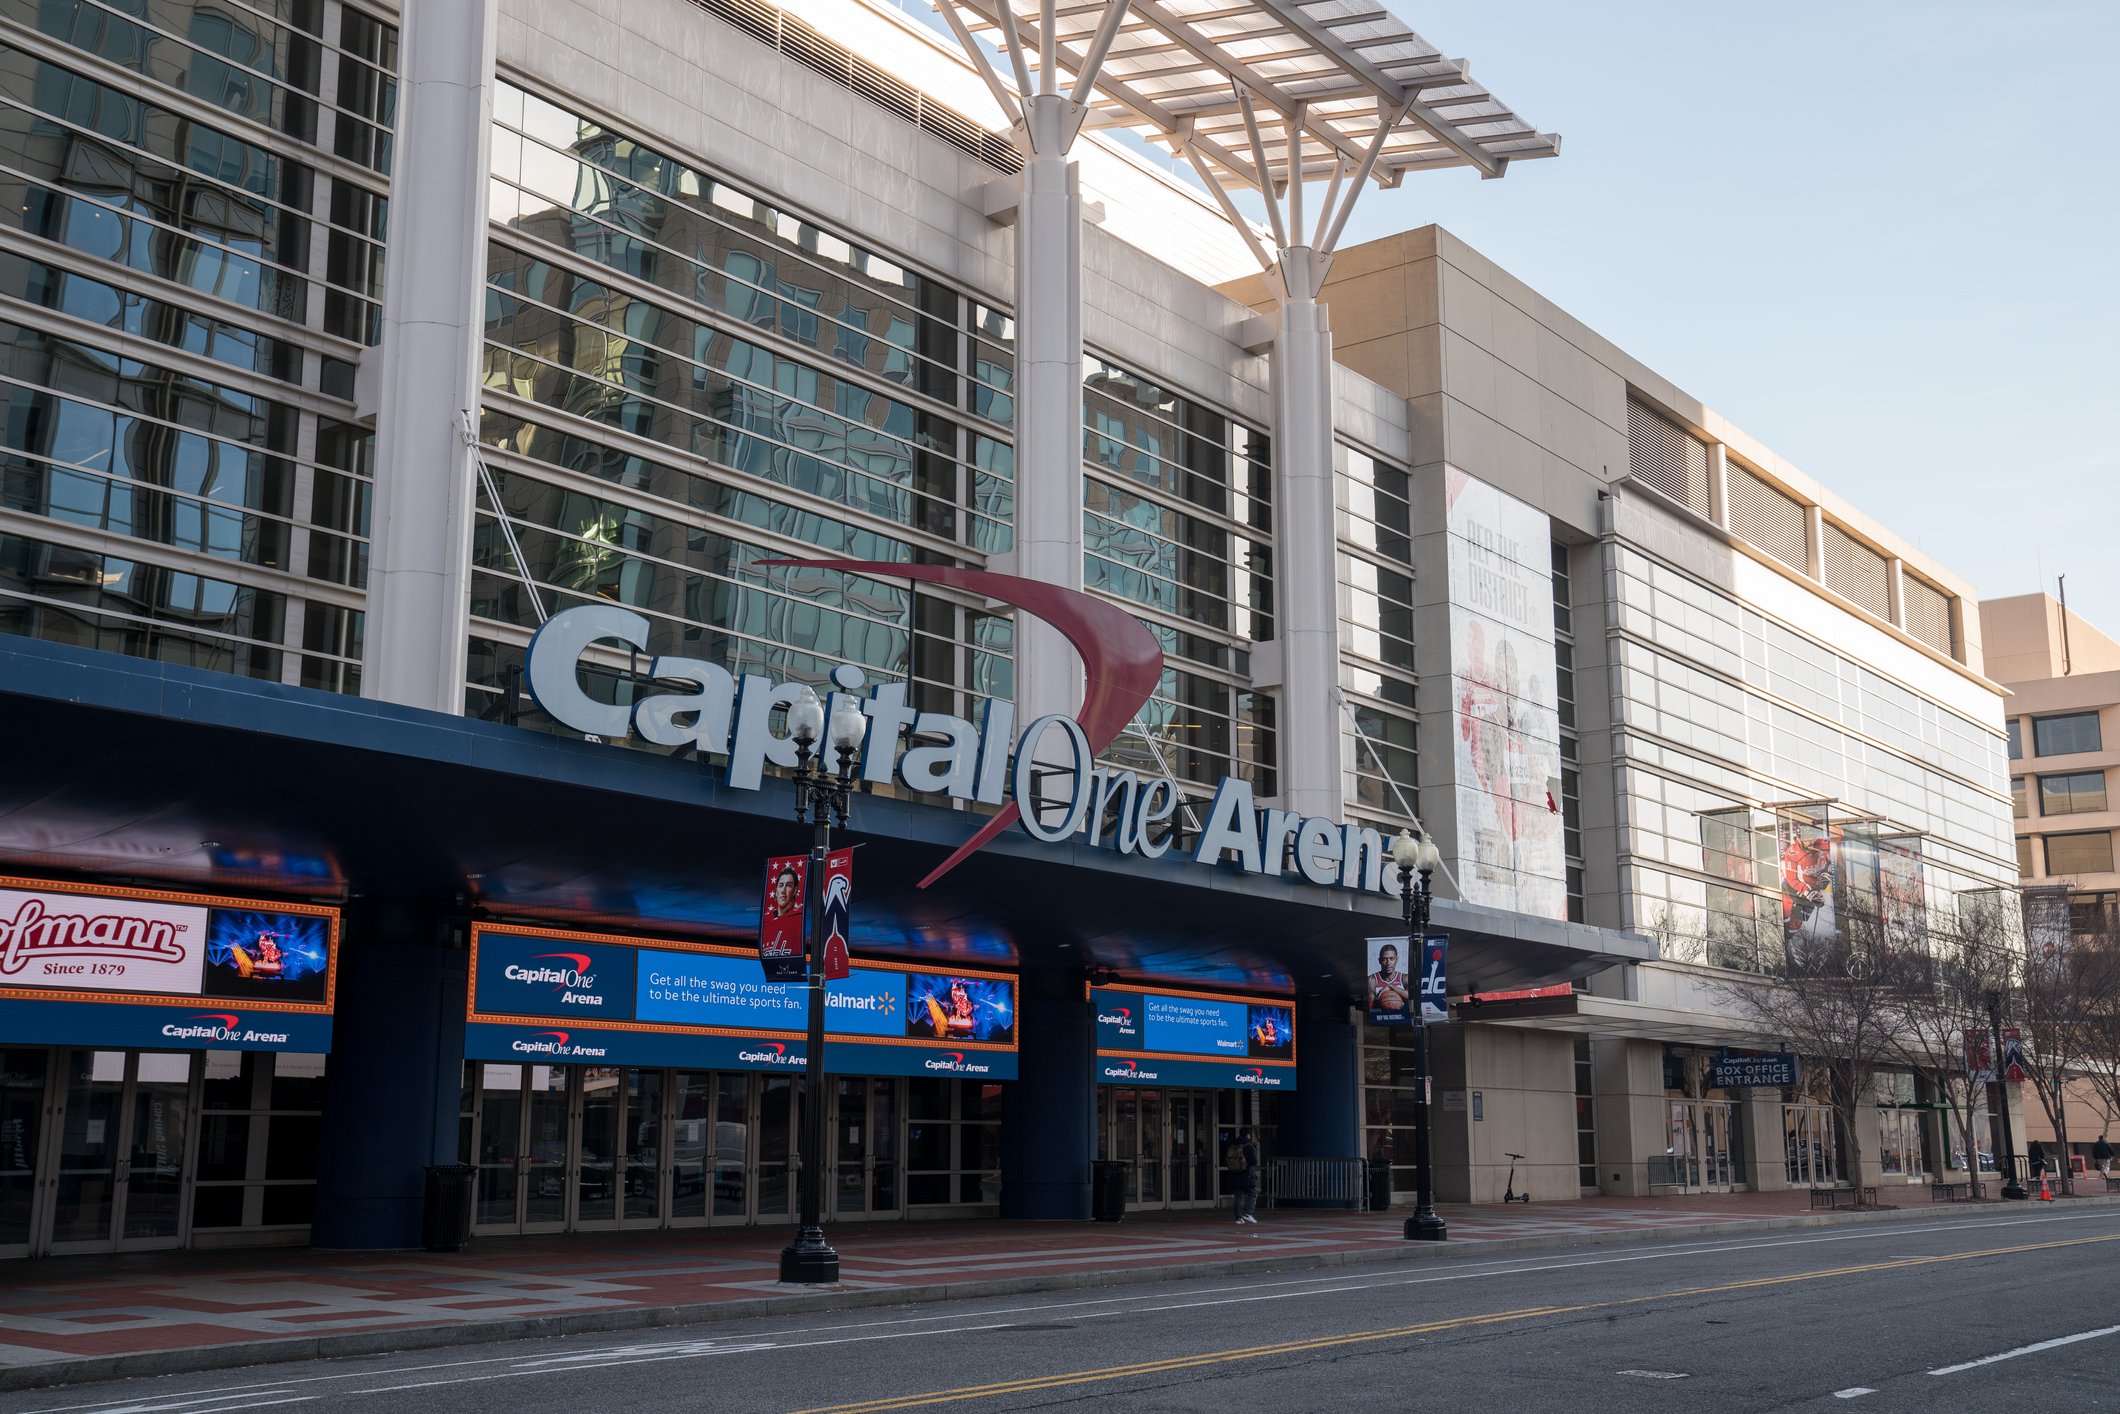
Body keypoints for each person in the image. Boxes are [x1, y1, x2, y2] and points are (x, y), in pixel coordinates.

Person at [1227, 1127, 1261, 1225]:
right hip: (1247, 1174)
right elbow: (1253, 1161)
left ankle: (1238, 1218)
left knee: (1238, 1196)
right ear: (1248, 1135)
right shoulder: (1248, 1145)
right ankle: (1248, 1213)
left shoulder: (1233, 1145)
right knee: (1252, 1192)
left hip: (1235, 1174)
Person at [1368, 944, 1409, 1015]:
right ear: (1379, 961)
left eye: (1392, 958)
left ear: (1397, 959)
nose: (1388, 963)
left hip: (1402, 1017)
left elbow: (1411, 996)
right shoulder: (1372, 979)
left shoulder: (1405, 978)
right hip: (1382, 1018)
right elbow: (1371, 1007)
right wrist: (1382, 1000)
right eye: (1384, 959)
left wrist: (1390, 986)